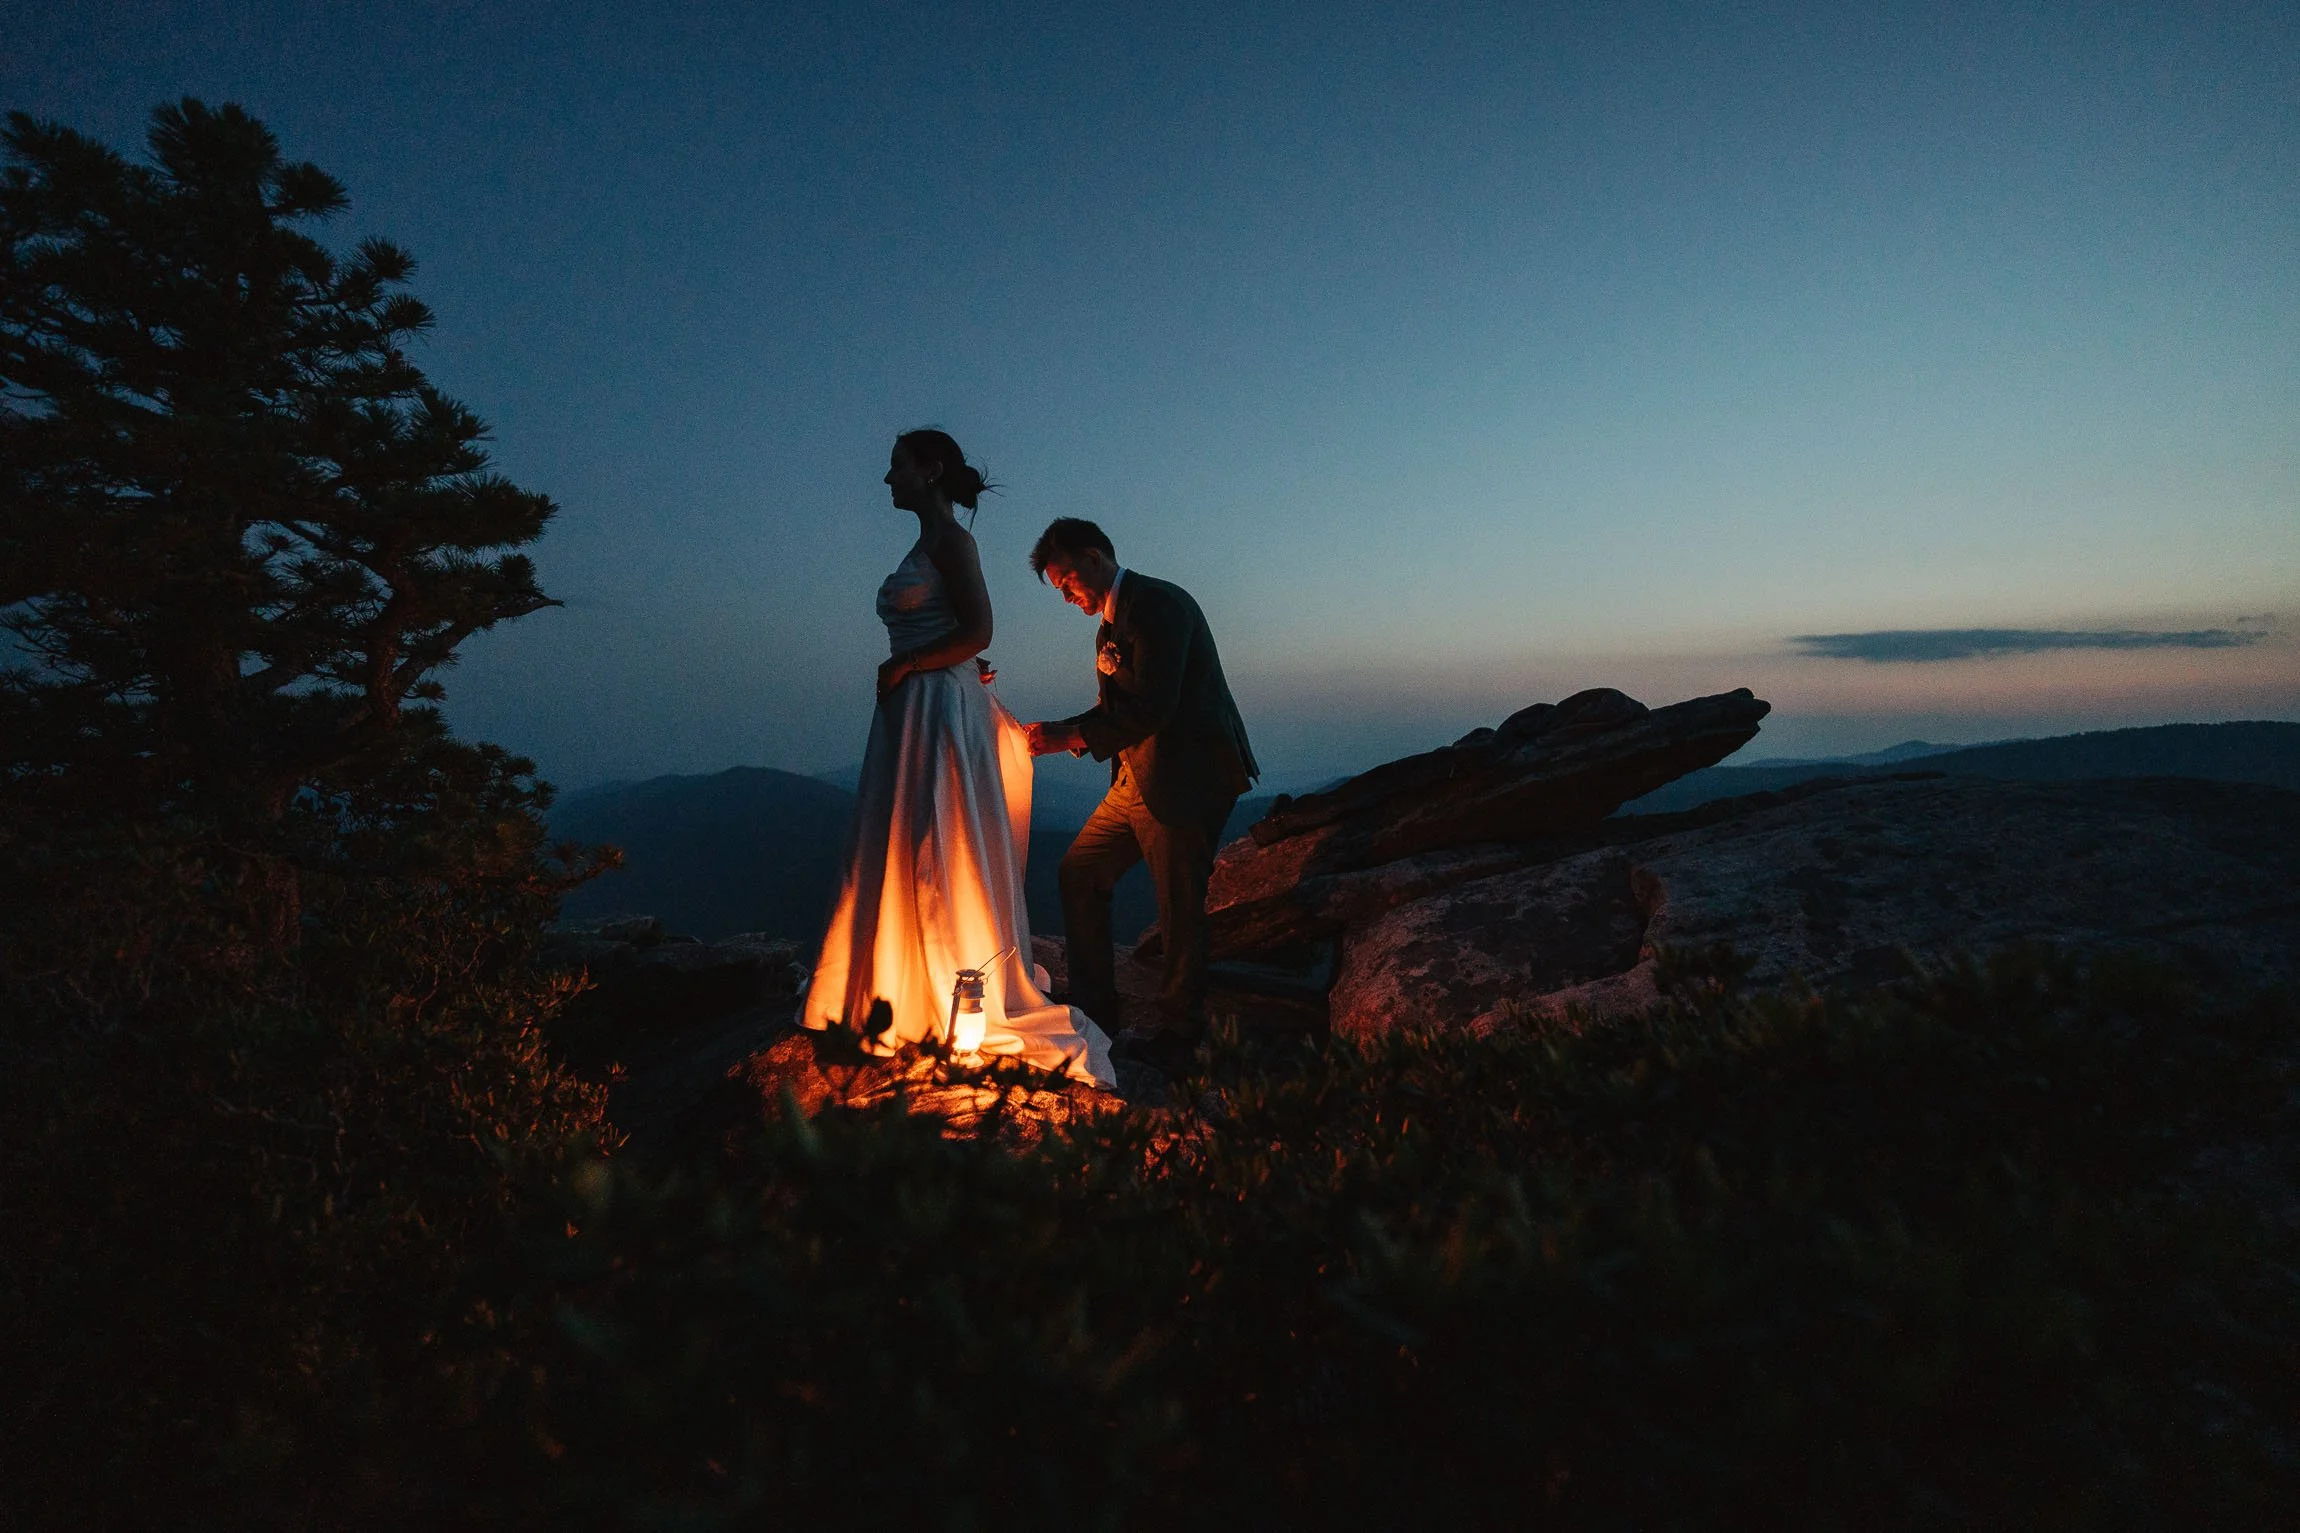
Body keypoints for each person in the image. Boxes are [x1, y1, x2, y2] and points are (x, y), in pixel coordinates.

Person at [798, 432, 1115, 1087]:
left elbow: (978, 630)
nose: (887, 480)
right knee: (898, 840)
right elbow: (963, 637)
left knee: (935, 843)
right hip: (914, 707)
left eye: (896, 467)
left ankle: (950, 987)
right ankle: (898, 987)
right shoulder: (926, 544)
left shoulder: (952, 542)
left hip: (933, 708)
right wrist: (940, 661)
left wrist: (913, 661)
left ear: (930, 470)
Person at [1022, 518, 1258, 1073]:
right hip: (1133, 782)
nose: (1065, 596)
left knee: (1179, 907)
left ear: (1096, 556)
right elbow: (1117, 712)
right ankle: (1095, 1012)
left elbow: (1154, 706)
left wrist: (1068, 737)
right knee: (1079, 872)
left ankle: (1181, 1032)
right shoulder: (1108, 628)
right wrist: (1056, 733)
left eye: (1066, 582)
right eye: (1058, 588)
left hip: (1186, 780)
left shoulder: (1157, 605)